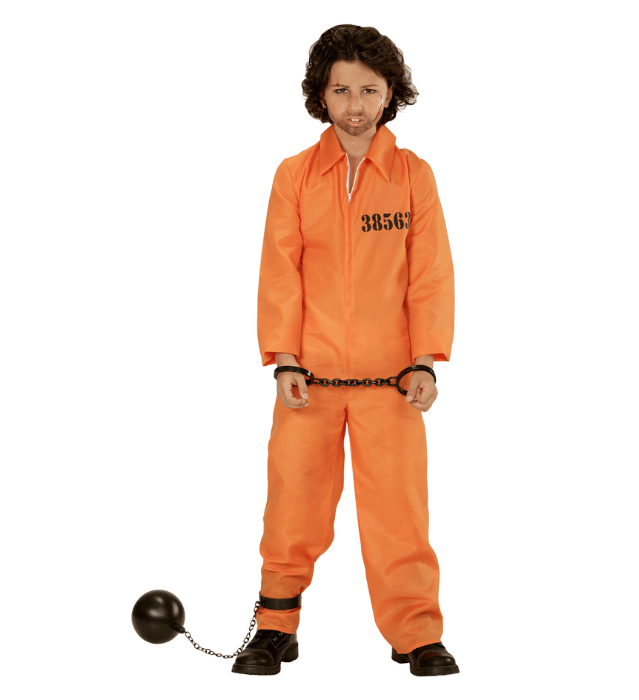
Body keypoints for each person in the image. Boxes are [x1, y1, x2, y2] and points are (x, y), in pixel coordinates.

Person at [232, 24, 457, 677]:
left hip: (393, 383)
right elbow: (280, 271)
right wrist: (284, 357)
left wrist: (425, 359)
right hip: (310, 381)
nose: (355, 105)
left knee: (399, 512)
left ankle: (416, 633)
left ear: (391, 94)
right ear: (320, 95)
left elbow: (430, 275)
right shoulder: (295, 176)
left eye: (368, 90)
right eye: (341, 90)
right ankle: (275, 628)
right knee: (292, 505)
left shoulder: (413, 177)